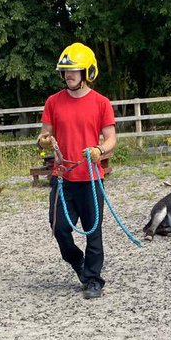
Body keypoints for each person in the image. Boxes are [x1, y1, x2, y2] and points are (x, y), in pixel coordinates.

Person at [38, 43, 116, 300]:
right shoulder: (53, 102)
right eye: (65, 71)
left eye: (74, 70)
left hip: (92, 179)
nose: (68, 75)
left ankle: (93, 279)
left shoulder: (102, 103)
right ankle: (77, 261)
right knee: (60, 228)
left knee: (94, 231)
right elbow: (44, 134)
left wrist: (99, 150)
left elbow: (111, 140)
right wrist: (44, 141)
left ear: (87, 72)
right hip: (63, 178)